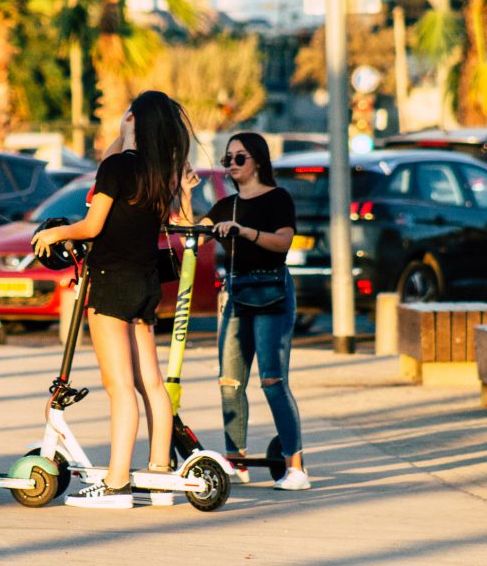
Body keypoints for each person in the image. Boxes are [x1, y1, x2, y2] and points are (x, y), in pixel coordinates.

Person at [31, 90, 193, 509]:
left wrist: (54, 233)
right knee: (151, 384)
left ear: (134, 119)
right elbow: (112, 167)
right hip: (145, 284)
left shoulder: (119, 166)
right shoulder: (164, 173)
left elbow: (90, 225)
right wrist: (127, 134)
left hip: (110, 280)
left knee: (119, 386)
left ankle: (117, 482)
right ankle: (159, 474)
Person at [194, 132, 310, 491]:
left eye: (239, 157)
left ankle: (296, 467)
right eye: (227, 159)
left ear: (258, 160)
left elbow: (283, 242)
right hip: (236, 290)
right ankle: (236, 461)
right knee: (230, 381)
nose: (231, 164)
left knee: (272, 380)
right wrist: (185, 191)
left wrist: (244, 232)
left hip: (272, 290)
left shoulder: (277, 198)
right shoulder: (225, 205)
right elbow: (193, 233)